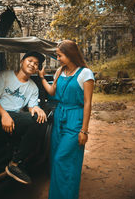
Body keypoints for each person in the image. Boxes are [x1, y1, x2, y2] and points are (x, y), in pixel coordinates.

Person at [38, 40, 94, 199]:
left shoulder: (85, 74)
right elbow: (52, 92)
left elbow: (88, 103)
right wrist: (42, 78)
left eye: (59, 55)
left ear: (70, 54)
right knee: (55, 159)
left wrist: (84, 130)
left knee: (62, 159)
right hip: (59, 117)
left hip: (75, 117)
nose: (58, 58)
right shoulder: (59, 72)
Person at [0, 51, 48, 184]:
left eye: (36, 64)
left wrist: (36, 109)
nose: (32, 65)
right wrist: (4, 115)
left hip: (15, 118)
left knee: (40, 120)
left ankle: (15, 163)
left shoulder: (33, 87)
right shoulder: (5, 76)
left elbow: (31, 108)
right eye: (30, 60)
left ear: (37, 69)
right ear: (22, 61)